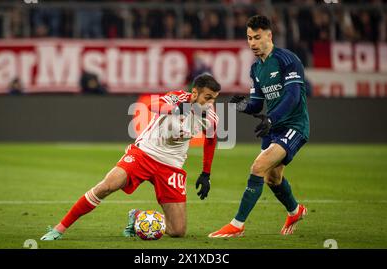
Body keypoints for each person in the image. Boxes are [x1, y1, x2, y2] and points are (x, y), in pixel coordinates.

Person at [40, 74, 221, 240]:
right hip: (144, 153)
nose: (211, 103)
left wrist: (206, 174)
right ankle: (59, 229)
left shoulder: (211, 117)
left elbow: (211, 141)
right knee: (107, 186)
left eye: (214, 98)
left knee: (177, 231)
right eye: (208, 97)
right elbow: (152, 106)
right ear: (195, 92)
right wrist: (176, 109)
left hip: (171, 165)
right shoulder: (178, 97)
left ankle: (137, 219)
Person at [208, 15, 310, 238]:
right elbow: (256, 105)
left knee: (258, 167)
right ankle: (295, 211)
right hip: (273, 127)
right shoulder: (256, 69)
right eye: (248, 38)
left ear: (269, 36)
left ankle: (237, 225)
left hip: (294, 125)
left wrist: (271, 118)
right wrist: (241, 106)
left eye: (257, 37)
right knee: (273, 178)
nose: (252, 43)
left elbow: (292, 97)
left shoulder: (287, 60)